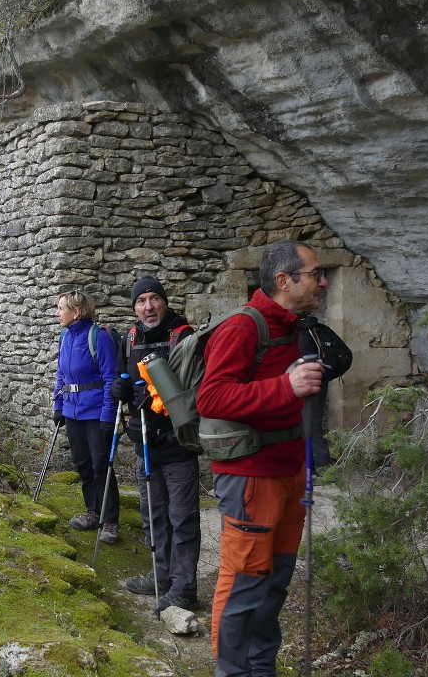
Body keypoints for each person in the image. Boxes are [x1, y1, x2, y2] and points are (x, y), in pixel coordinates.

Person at [196, 239, 328, 677]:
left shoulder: (295, 326)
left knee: (274, 586)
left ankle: (260, 668)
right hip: (251, 477)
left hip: (289, 471)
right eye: (315, 274)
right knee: (244, 588)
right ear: (284, 280)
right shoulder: (243, 328)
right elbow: (211, 397)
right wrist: (286, 387)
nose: (322, 282)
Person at [110, 276, 202, 612]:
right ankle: (160, 575)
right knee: (153, 515)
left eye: (154, 299)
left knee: (182, 518)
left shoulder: (184, 336)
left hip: (177, 444)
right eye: (141, 301)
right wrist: (119, 392)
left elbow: (193, 390)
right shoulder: (129, 340)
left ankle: (184, 589)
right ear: (134, 307)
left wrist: (156, 396)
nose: (148, 307)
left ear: (164, 301)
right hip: (144, 443)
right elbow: (122, 379)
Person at [53, 290, 120, 544]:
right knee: (82, 463)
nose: (57, 313)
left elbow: (109, 378)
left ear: (77, 311)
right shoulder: (64, 336)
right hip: (72, 410)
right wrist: (58, 404)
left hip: (94, 412)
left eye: (61, 308)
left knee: (101, 465)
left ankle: (110, 521)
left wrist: (107, 415)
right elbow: (61, 374)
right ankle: (93, 512)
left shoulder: (98, 337)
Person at [299, 317, 352, 469]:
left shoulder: (298, 333)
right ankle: (319, 468)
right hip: (319, 381)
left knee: (309, 425)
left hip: (304, 382)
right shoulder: (315, 329)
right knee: (313, 424)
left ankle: (321, 468)